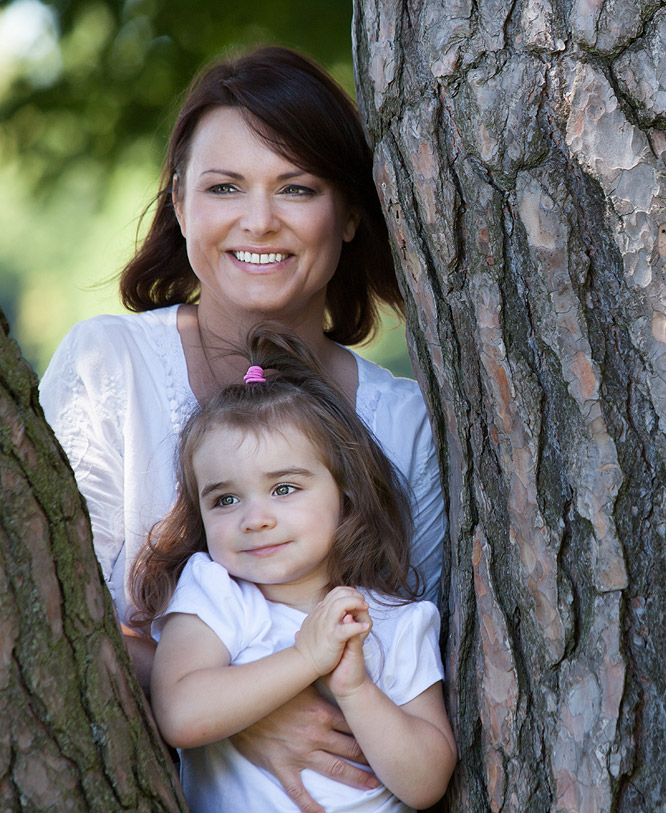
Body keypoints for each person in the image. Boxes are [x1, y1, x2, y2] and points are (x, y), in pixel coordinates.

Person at [37, 45, 446, 811]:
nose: (259, 219)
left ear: (351, 212)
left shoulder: (402, 420)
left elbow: (420, 649)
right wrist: (250, 710)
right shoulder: (108, 366)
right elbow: (54, 622)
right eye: (225, 187)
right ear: (182, 205)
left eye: (297, 187)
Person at [129, 327, 455, 812]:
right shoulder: (215, 595)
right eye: (225, 499)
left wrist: (355, 687)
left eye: (284, 488)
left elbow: (427, 782)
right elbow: (180, 713)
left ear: (345, 496)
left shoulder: (392, 620)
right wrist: (306, 658)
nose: (254, 518)